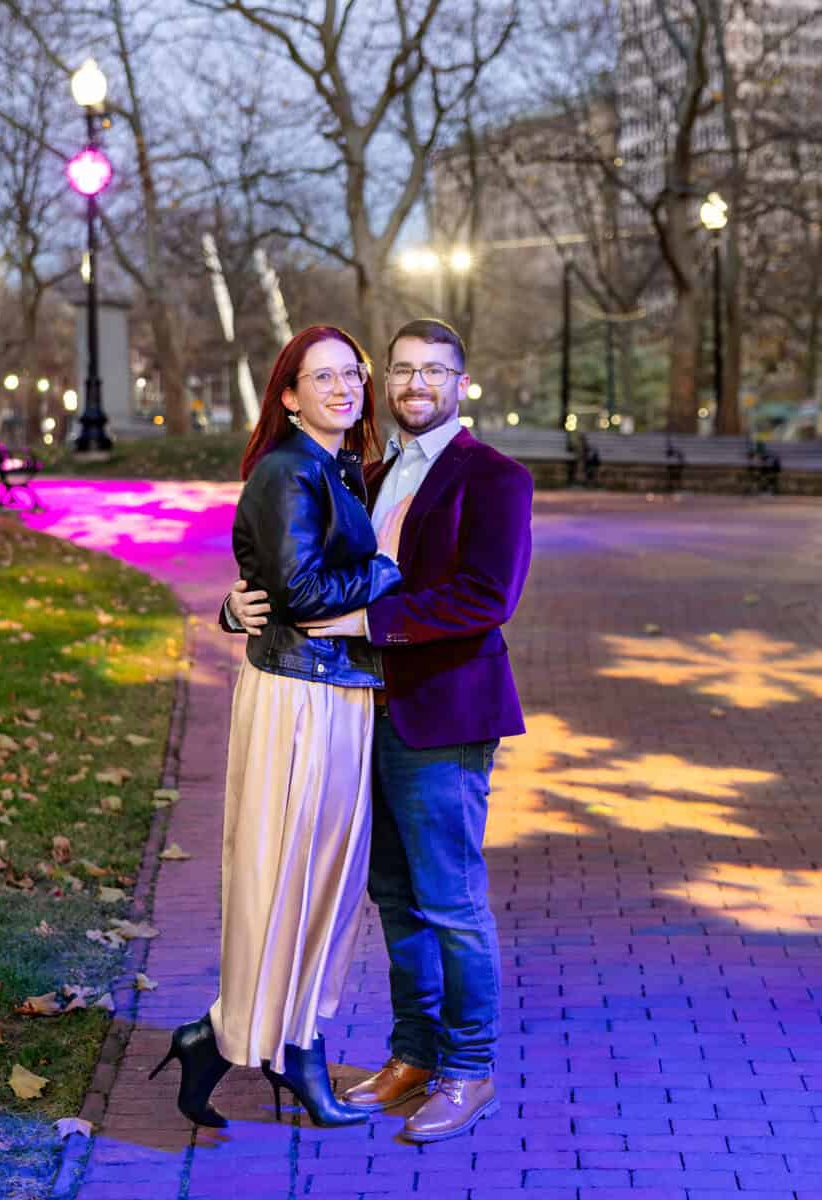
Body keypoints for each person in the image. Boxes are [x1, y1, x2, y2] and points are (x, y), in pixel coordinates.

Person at [227, 318, 533, 1143]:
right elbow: (297, 570)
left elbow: (485, 598)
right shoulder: (368, 471)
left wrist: (370, 619)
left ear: (461, 382)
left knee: (451, 900)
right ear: (385, 381)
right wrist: (235, 605)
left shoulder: (495, 478)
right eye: (401, 370)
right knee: (394, 897)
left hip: (445, 714)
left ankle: (469, 1069)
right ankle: (413, 1055)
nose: (415, 385)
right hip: (365, 712)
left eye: (435, 371)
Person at [152, 325, 411, 1129]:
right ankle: (252, 1041)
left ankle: (275, 1041)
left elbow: (278, 584)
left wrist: (243, 604)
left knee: (326, 885)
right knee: (286, 874)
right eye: (322, 377)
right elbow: (299, 591)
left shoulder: (337, 466)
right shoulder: (286, 469)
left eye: (352, 375)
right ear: (289, 394)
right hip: (298, 699)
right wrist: (389, 565)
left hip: (336, 692)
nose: (344, 388)